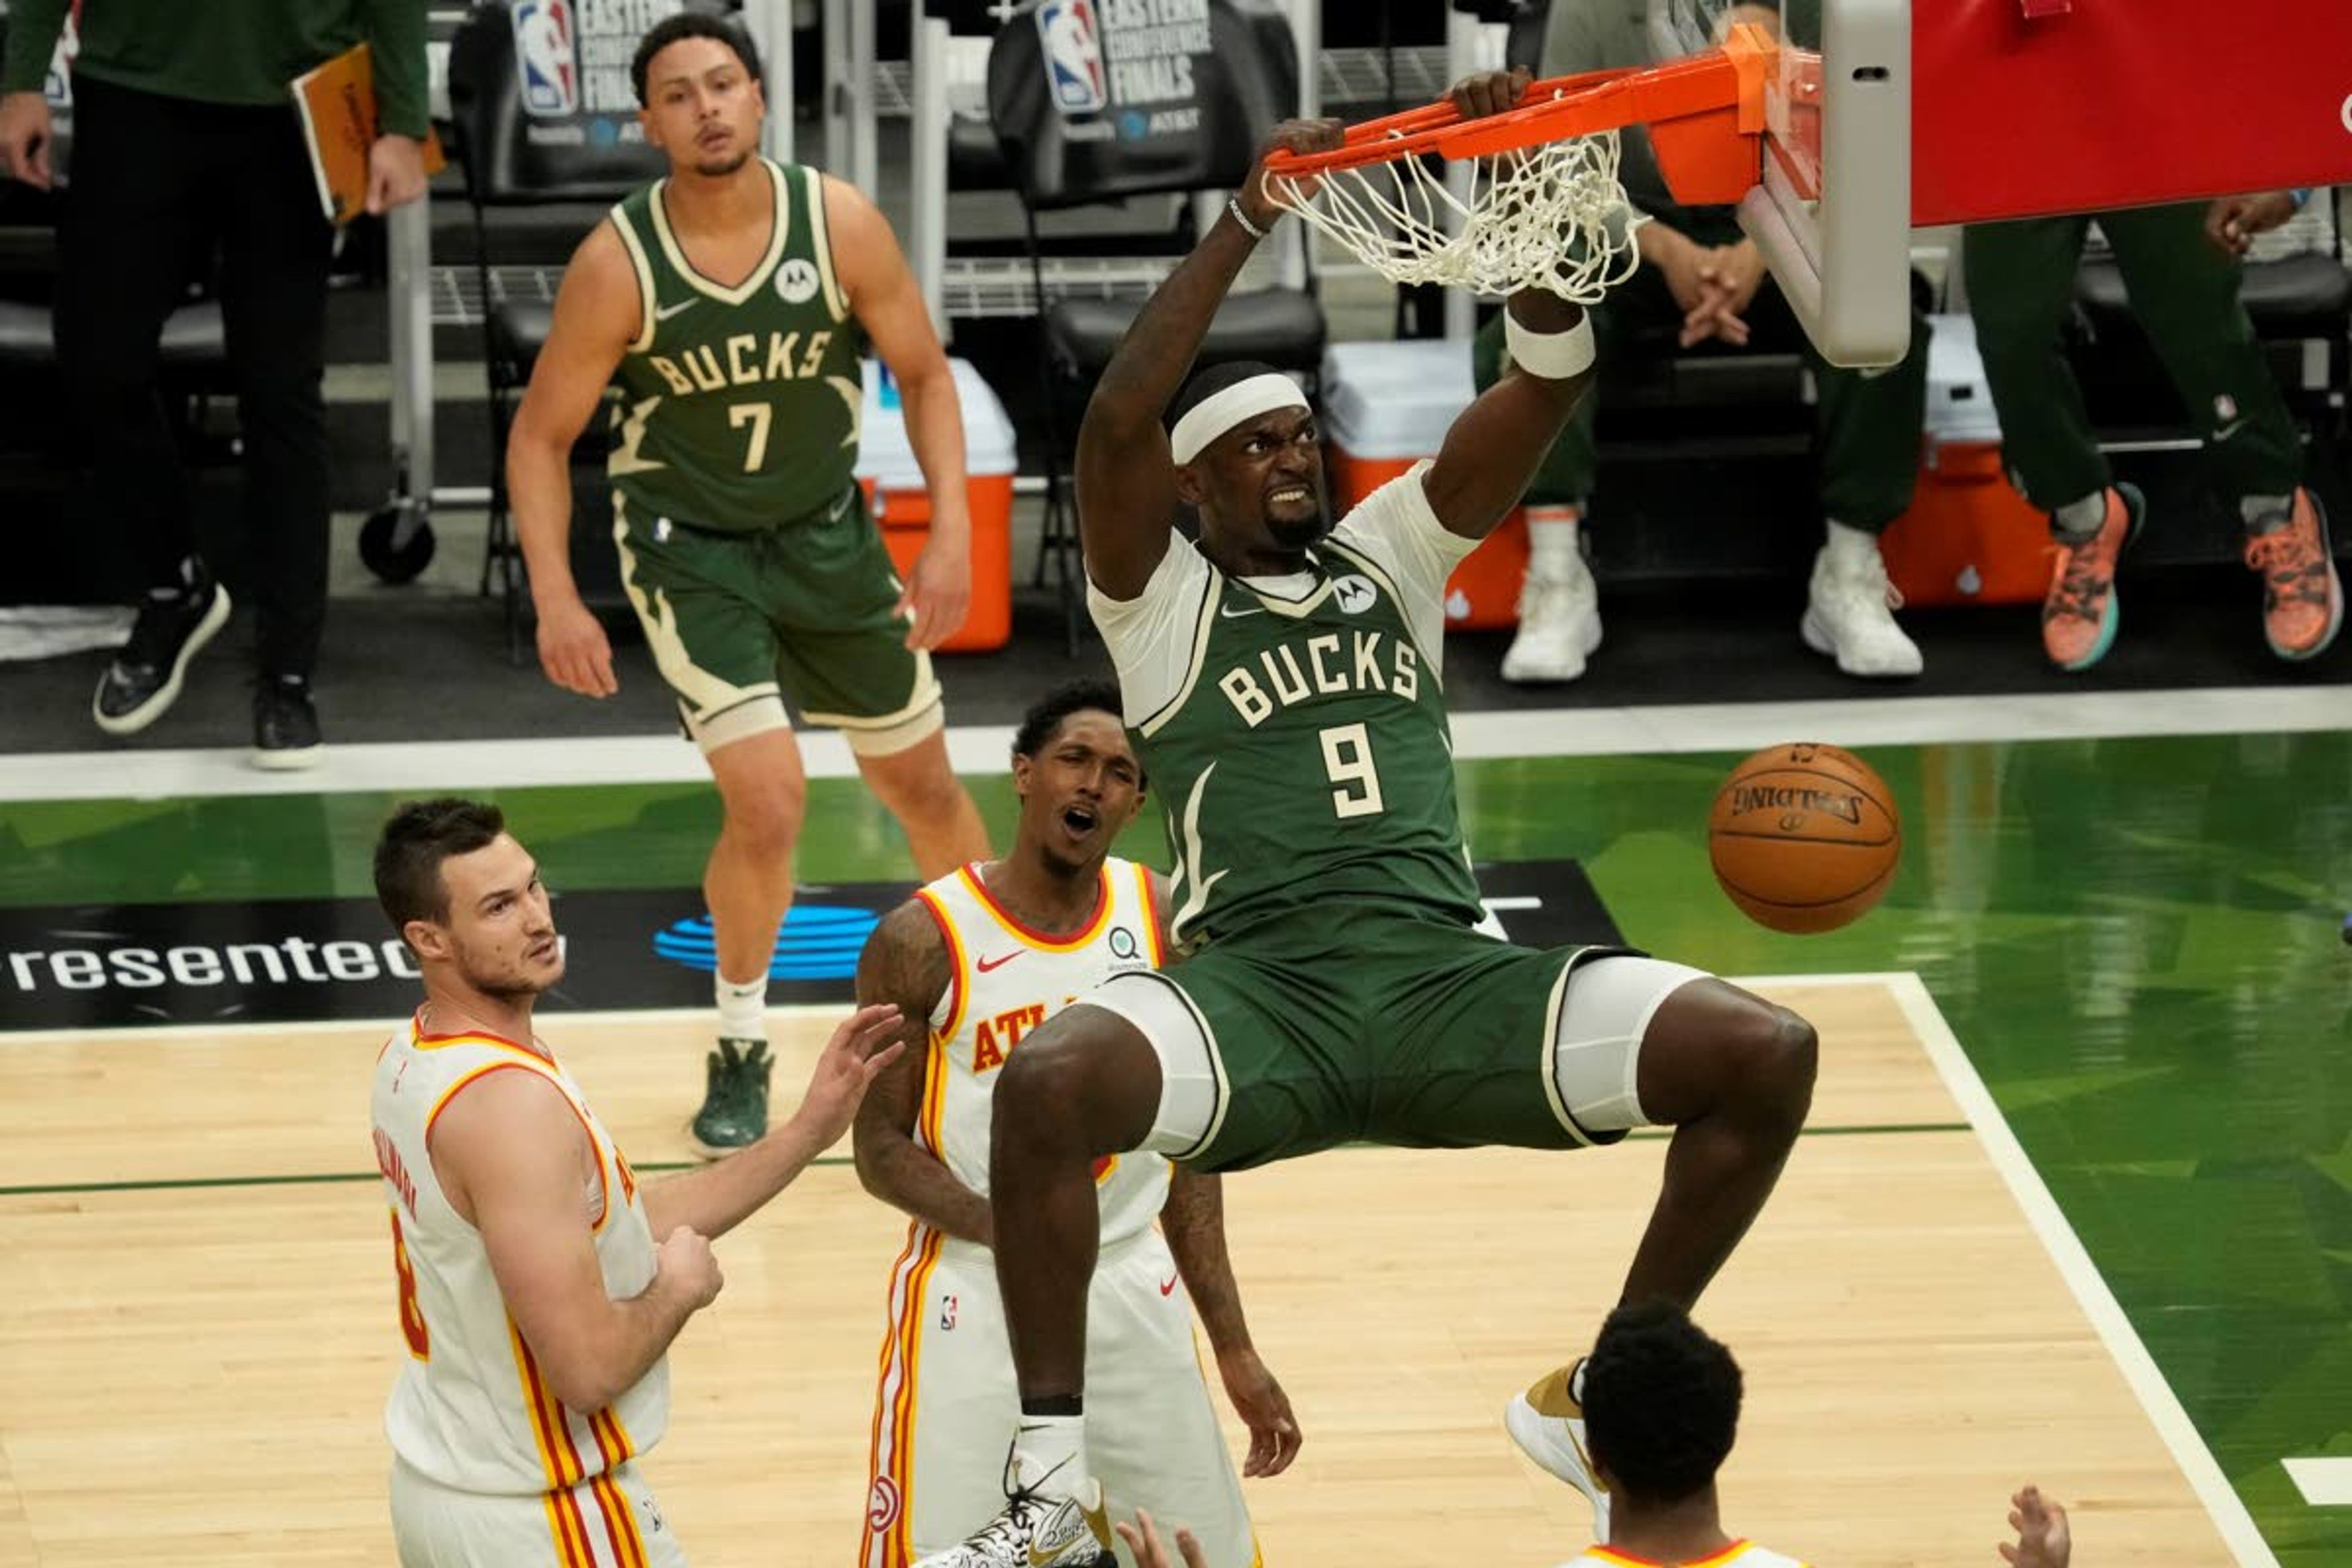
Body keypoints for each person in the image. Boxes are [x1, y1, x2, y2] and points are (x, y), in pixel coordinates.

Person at [915, 72, 1819, 1568]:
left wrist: (1513, 167)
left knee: (1761, 1053)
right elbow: (1120, 409)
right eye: (1256, 445)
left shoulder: (1385, 554)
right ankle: (1047, 1483)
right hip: (1260, 992)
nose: (1292, 457)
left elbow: (1541, 381)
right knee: (1047, 1084)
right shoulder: (1159, 603)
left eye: (1299, 436)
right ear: (1195, 486)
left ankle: (1604, 1378)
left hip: (1447, 978)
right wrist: (1253, 207)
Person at [508, 12, 992, 1157]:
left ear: (761, 97)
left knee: (923, 788)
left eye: (723, 84)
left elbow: (924, 376)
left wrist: (957, 532)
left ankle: (1001, 1001)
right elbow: (539, 440)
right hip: (693, 552)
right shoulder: (617, 262)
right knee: (769, 798)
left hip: (830, 535)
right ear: (649, 123)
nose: (706, 106)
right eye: (678, 94)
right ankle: (740, 1037)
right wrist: (556, 598)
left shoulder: (838, 222)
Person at [368, 796, 904, 1565]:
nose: (535, 917)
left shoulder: (414, 1057)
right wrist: (679, 1289)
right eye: (497, 906)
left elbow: (613, 1223)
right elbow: (587, 1370)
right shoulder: (507, 1108)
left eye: (532, 887)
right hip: (545, 1519)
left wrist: (808, 1130)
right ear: (430, 939)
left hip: (450, 1490)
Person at [854, 681, 1290, 1568]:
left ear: (1137, 804)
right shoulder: (922, 938)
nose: (1094, 785)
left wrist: (1235, 1346)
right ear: (1024, 774)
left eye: (1121, 773)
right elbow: (878, 1148)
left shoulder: (1165, 924)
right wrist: (1019, 1235)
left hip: (1134, 1286)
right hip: (977, 1293)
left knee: (1195, 1548)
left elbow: (1190, 1151)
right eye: (1075, 760)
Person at [0, 0, 431, 766]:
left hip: (295, 100)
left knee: (281, 389)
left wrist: (402, 118)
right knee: (97, 357)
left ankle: (289, 675)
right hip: (133, 90)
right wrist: (19, 75)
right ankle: (176, 586)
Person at [1470, 0, 1931, 685]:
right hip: (1636, 232)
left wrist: (1762, 247)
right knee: (1532, 315)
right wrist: (1663, 249)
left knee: (1882, 306)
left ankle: (1851, 571)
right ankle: (1559, 572)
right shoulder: (1590, 10)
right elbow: (1564, 170)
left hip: (1789, 215)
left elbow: (1863, 150)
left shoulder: (1823, 9)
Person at [1966, 191, 2340, 668]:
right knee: (2010, 332)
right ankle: (2085, 520)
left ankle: (2275, 509)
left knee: (2199, 314)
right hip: (2025, 133)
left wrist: (2292, 187)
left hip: (2153, 131)